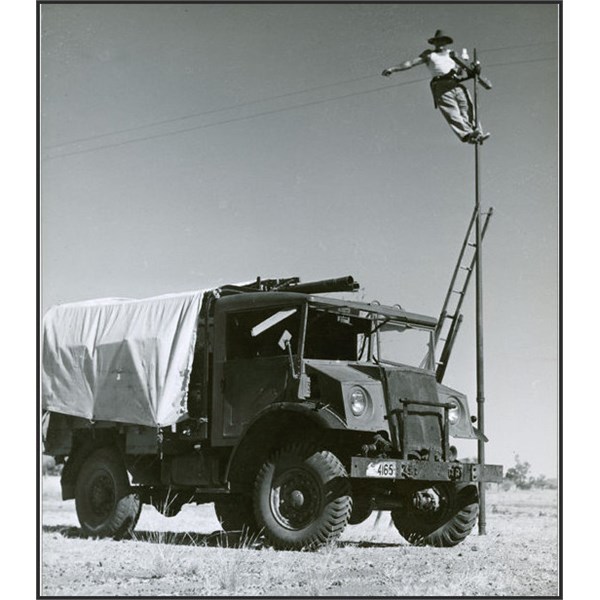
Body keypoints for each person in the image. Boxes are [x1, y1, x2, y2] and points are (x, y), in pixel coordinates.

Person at [382, 30, 490, 144]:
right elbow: (411, 63)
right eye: (438, 41)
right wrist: (393, 69)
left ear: (446, 42)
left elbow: (460, 71)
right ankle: (467, 135)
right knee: (451, 112)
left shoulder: (453, 54)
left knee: (468, 107)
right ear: (434, 43)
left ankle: (476, 132)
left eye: (443, 41)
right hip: (441, 85)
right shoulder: (430, 54)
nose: (440, 43)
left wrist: (473, 70)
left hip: (455, 83)